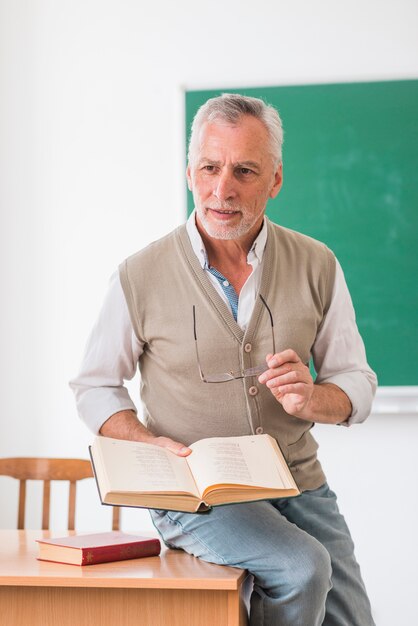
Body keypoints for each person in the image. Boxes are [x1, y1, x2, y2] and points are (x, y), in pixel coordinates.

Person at [70, 93, 377, 626]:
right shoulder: (138, 275)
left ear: (275, 180)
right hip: (194, 492)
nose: (222, 189)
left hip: (297, 480)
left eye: (244, 171)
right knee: (301, 568)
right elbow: (94, 386)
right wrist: (147, 443)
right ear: (190, 172)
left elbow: (356, 381)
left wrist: (315, 397)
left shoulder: (318, 264)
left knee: (352, 618)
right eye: (210, 167)